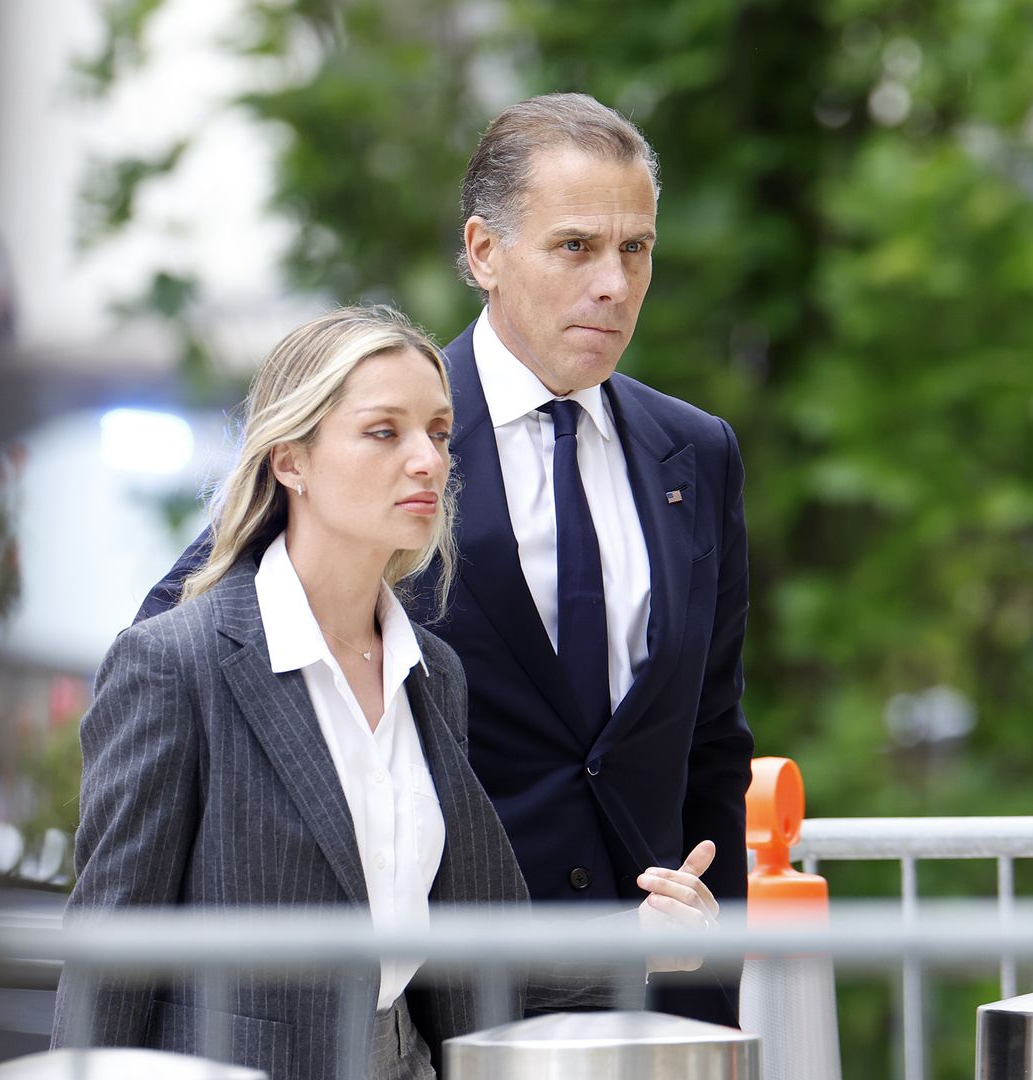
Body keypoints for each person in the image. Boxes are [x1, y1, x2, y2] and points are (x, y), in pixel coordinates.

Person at [139, 93, 754, 1026]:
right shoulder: (384, 438)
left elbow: (712, 741)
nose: (614, 284)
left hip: (658, 993)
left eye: (636, 248)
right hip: (451, 1007)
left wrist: (714, 980)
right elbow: (180, 653)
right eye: (576, 246)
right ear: (483, 252)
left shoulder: (696, 454)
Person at [52, 306, 718, 1080]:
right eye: (383, 432)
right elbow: (106, 966)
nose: (427, 460)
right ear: (290, 460)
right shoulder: (174, 665)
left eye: (438, 433)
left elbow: (469, 952)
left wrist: (638, 941)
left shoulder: (432, 674)